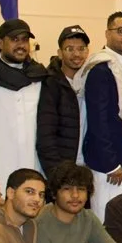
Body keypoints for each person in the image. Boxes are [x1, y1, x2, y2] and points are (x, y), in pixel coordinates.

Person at [77, 12, 122, 231]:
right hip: (109, 168)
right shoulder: (101, 69)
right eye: (120, 31)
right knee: (107, 230)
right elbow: (99, 119)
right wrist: (110, 163)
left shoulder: (120, 69)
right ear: (107, 33)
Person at [0, 18, 48, 186]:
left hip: (32, 162)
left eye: (24, 40)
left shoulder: (40, 76)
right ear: (0, 43)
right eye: (14, 40)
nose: (21, 45)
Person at [36, 25, 87, 177]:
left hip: (86, 168)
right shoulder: (50, 83)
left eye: (81, 48)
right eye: (70, 49)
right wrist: (56, 174)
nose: (76, 54)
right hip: (61, 170)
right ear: (59, 53)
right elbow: (46, 135)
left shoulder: (91, 81)